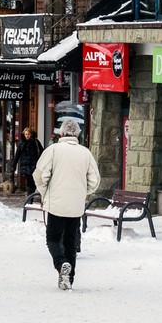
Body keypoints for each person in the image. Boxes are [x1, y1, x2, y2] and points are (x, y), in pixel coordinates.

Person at [32, 119, 100, 290]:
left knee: (53, 239)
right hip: (76, 205)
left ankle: (61, 263)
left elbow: (39, 175)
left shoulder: (53, 150)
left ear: (61, 134)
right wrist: (83, 192)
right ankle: (69, 278)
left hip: (56, 203)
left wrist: (44, 191)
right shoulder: (85, 153)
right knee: (70, 242)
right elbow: (95, 180)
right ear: (77, 134)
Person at [13, 127, 44, 194]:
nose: (27, 136)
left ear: (31, 134)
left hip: (34, 165)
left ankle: (30, 195)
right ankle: (30, 196)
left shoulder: (35, 142)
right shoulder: (22, 143)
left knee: (33, 181)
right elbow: (17, 154)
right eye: (26, 134)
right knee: (30, 182)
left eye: (28, 134)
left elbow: (42, 152)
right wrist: (14, 164)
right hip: (25, 165)